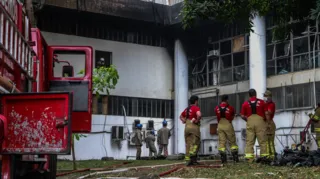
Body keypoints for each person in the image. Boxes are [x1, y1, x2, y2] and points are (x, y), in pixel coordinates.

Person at [240, 89, 268, 162]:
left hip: (250, 122)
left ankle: (249, 158)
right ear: (256, 94)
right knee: (262, 141)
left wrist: (248, 120)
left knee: (249, 141)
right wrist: (265, 121)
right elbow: (266, 113)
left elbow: (242, 115)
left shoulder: (245, 104)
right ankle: (264, 158)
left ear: (249, 95)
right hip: (260, 122)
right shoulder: (262, 102)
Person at [215, 94, 238, 163]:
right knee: (232, 141)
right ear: (227, 100)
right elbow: (232, 116)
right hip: (228, 124)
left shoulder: (216, 108)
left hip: (220, 125)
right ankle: (235, 158)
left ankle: (223, 159)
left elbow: (217, 116)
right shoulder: (231, 108)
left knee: (222, 142)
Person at [180, 95, 202, 166]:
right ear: (196, 101)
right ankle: (193, 157)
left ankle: (187, 160)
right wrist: (197, 120)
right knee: (196, 142)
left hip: (187, 127)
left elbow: (180, 116)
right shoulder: (196, 108)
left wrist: (184, 121)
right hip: (193, 126)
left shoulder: (187, 109)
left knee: (188, 143)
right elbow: (199, 115)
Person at [264, 90, 276, 160]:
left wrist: (268, 124)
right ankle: (268, 156)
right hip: (266, 123)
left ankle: (272, 156)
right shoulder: (265, 104)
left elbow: (268, 114)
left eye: (266, 96)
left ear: (269, 97)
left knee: (270, 141)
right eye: (264, 96)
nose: (264, 97)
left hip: (269, 123)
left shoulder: (271, 104)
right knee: (266, 141)